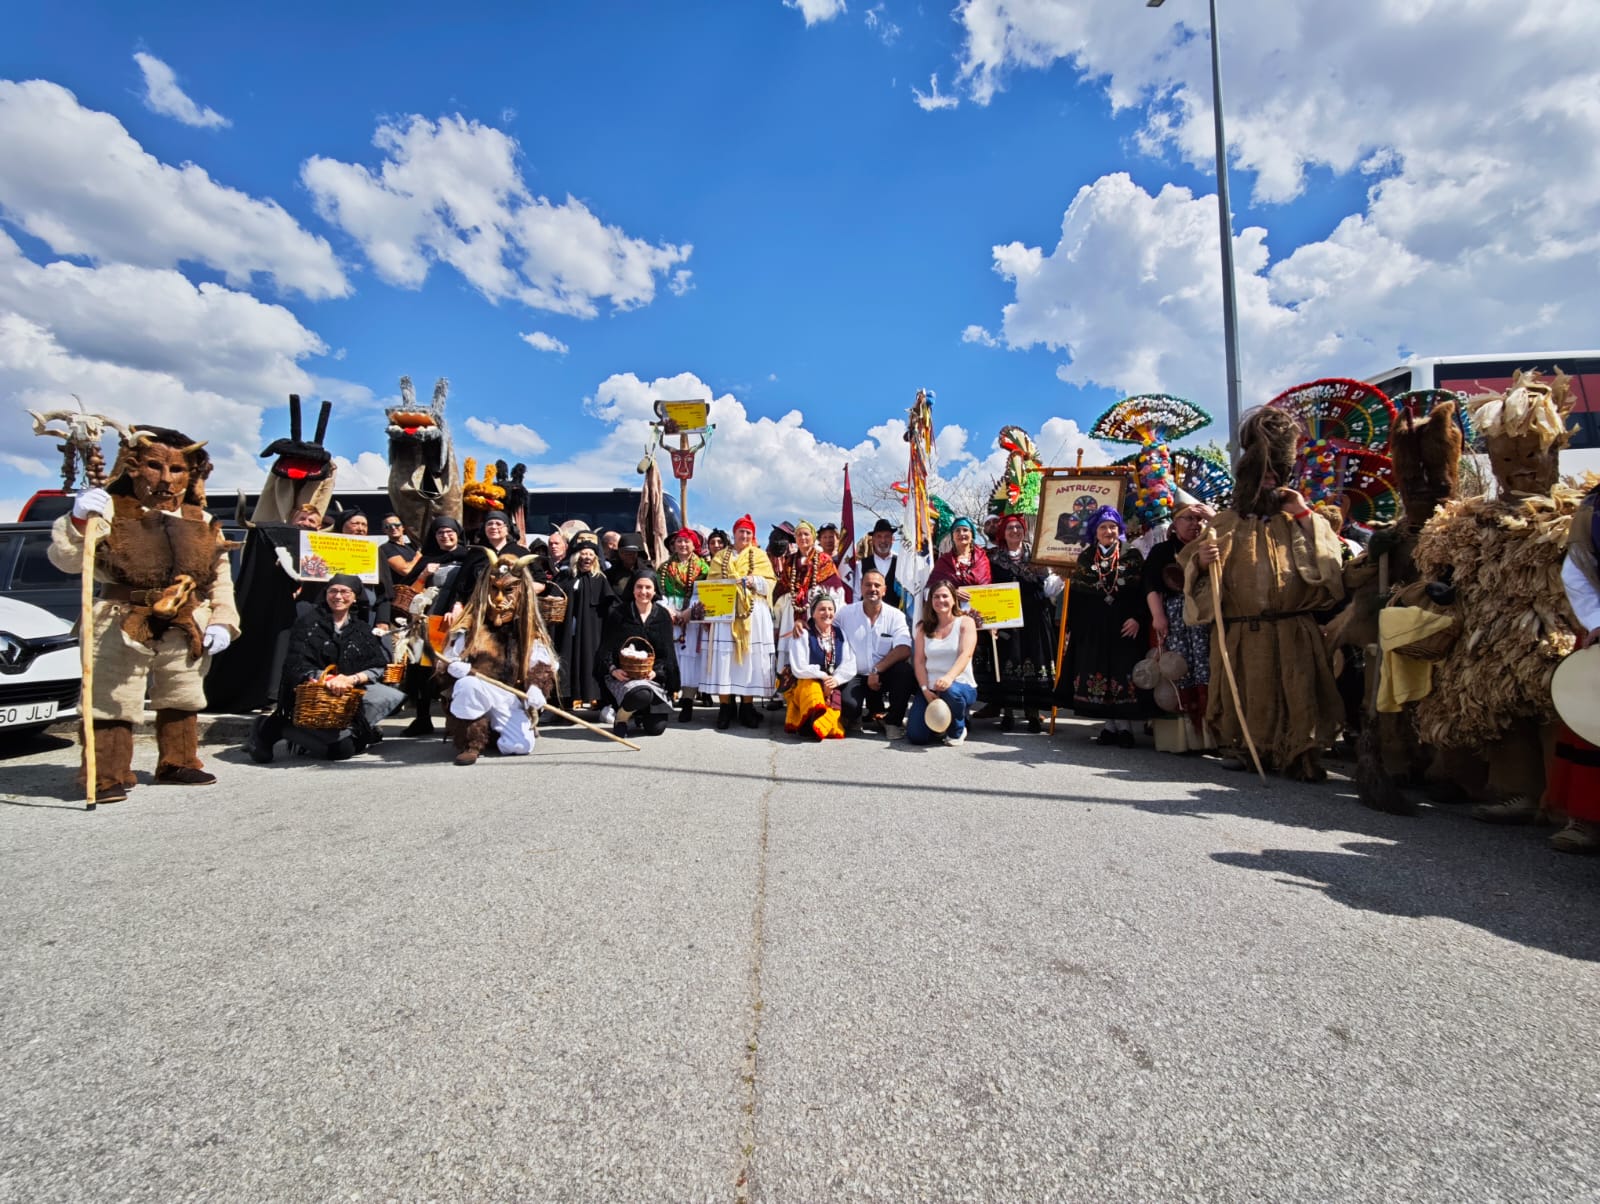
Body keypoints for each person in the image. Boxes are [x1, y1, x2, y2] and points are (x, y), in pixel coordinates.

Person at [49, 425, 239, 802]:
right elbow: (68, 561)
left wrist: (223, 620)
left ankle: (178, 762)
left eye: (177, 470)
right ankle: (107, 774)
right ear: (134, 467)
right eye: (155, 466)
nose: (166, 479)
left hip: (185, 617)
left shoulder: (200, 520)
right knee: (112, 696)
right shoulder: (109, 511)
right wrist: (78, 521)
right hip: (120, 616)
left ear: (193, 473)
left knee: (183, 692)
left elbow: (220, 579)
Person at [1180, 407, 1346, 780]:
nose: (1269, 482)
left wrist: (1302, 515)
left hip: (1294, 630)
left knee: (1298, 689)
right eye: (1262, 475)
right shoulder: (1225, 522)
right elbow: (1193, 579)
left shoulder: (1303, 518)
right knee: (1248, 688)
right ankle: (1244, 746)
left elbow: (1332, 572)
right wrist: (1202, 564)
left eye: (1276, 475)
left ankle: (1301, 752)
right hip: (1244, 632)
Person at [247, 574, 405, 762]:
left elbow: (377, 666)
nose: (338, 596)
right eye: (333, 591)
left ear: (355, 597)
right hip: (314, 689)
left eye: (345, 592)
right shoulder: (308, 623)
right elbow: (296, 663)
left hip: (348, 689)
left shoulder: (361, 629)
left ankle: (351, 730)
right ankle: (274, 727)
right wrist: (327, 679)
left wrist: (350, 679)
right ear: (326, 594)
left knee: (390, 696)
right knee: (341, 751)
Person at [437, 552, 558, 765]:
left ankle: (493, 732)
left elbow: (542, 662)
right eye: (494, 589)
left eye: (508, 590)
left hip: (510, 695)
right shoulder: (470, 627)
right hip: (478, 688)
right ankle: (470, 742)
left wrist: (537, 687)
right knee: (467, 685)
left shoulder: (528, 630)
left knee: (519, 747)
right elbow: (447, 661)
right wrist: (452, 668)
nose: (499, 599)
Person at [1058, 506, 1152, 747]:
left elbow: (1144, 592)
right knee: (1100, 672)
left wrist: (1138, 618)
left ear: (1119, 529)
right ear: (1094, 531)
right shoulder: (1086, 558)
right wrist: (1073, 628)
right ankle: (1109, 727)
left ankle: (1125, 728)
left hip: (1125, 626)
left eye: (1112, 526)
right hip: (1094, 628)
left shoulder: (1132, 555)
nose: (1108, 531)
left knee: (1122, 672)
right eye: (1102, 527)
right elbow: (1077, 597)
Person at [976, 513, 1061, 733]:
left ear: (1024, 531)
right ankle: (1008, 713)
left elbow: (1049, 588)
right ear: (1003, 533)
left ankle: (1033, 713)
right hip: (1007, 618)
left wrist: (1062, 576)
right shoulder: (993, 557)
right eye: (1010, 528)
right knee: (1008, 660)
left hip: (1035, 615)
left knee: (1035, 658)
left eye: (1018, 527)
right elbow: (987, 588)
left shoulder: (1038, 555)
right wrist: (990, 620)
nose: (1014, 531)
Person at [1551, 481, 1600, 852]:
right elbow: (1578, 569)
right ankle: (1586, 819)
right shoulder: (1594, 507)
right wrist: (1596, 620)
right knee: (1591, 723)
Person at [1142, 503, 1216, 749]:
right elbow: (1151, 586)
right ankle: (1182, 738)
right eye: (1188, 519)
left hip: (1204, 617)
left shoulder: (1210, 547)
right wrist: (1158, 616)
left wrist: (1214, 521)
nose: (1195, 524)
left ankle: (1210, 733)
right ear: (1174, 523)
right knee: (1177, 667)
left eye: (1199, 519)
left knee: (1206, 667)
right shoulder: (1162, 551)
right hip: (1174, 619)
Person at [398, 516, 472, 736]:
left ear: (458, 533)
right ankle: (422, 719)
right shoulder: (426, 559)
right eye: (440, 532)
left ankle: (457, 721)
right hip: (426, 624)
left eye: (450, 531)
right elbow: (407, 591)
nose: (445, 536)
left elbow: (474, 589)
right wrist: (424, 574)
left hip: (456, 624)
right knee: (421, 671)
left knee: (455, 670)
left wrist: (461, 609)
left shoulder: (469, 557)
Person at [702, 514, 777, 729]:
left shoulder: (760, 556)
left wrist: (756, 581)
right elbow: (711, 583)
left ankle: (747, 706)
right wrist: (727, 584)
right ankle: (725, 707)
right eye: (741, 531)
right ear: (734, 533)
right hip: (726, 613)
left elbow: (771, 582)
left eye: (748, 532)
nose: (744, 535)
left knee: (749, 660)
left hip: (753, 613)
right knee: (726, 660)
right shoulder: (720, 557)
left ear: (753, 536)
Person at [596, 570, 681, 737]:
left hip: (652, 676)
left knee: (656, 729)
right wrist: (613, 670)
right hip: (625, 676)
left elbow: (667, 653)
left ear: (655, 591)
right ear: (632, 589)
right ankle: (621, 718)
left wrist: (656, 671)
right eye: (639, 587)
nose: (643, 592)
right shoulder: (619, 613)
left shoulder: (662, 615)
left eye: (648, 587)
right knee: (641, 693)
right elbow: (605, 648)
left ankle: (639, 713)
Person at [836, 569, 914, 734]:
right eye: (868, 585)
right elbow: (824, 627)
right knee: (849, 706)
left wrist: (877, 669)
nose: (873, 589)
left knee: (904, 671)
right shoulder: (845, 613)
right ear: (861, 587)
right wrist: (804, 623)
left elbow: (904, 648)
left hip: (882, 673)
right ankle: (854, 716)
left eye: (877, 585)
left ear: (885, 590)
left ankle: (892, 721)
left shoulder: (896, 616)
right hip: (854, 674)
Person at [907, 579, 979, 745]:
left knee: (950, 691)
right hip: (931, 689)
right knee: (916, 737)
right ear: (931, 601)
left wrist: (948, 678)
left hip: (959, 686)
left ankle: (958, 729)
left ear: (954, 599)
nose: (940, 601)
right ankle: (940, 725)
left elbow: (966, 654)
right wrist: (925, 689)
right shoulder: (923, 628)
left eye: (945, 596)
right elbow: (918, 661)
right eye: (936, 597)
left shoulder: (965, 623)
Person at [782, 592, 857, 740]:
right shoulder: (803, 633)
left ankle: (819, 723)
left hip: (832, 682)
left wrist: (835, 680)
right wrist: (823, 677)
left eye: (830, 609)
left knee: (848, 705)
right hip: (806, 680)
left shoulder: (840, 633)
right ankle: (807, 721)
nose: (827, 613)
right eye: (822, 609)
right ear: (813, 613)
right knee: (813, 690)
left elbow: (849, 662)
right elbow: (799, 667)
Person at [774, 521, 845, 673]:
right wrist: (793, 596)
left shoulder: (824, 560)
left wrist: (812, 597)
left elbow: (834, 589)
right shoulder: (789, 561)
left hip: (814, 610)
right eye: (799, 534)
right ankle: (787, 689)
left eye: (806, 534)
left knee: (811, 647)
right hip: (790, 612)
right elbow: (781, 589)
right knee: (788, 649)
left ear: (813, 538)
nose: (803, 538)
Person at [554, 531, 615, 708]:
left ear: (595, 558)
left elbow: (610, 603)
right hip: (567, 631)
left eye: (590, 554)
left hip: (591, 631)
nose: (587, 557)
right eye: (583, 554)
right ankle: (564, 702)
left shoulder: (600, 579)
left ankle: (597, 700)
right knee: (566, 662)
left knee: (590, 662)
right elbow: (555, 595)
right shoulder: (566, 577)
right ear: (576, 556)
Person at [660, 528, 711, 721]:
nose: (682, 545)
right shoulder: (663, 568)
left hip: (693, 615)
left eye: (686, 542)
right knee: (670, 656)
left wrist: (689, 611)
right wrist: (669, 610)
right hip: (670, 615)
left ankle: (688, 701)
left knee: (690, 657)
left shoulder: (703, 568)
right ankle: (666, 697)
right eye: (679, 541)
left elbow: (705, 592)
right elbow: (660, 592)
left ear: (694, 545)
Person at [448, 512, 531, 612]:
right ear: (484, 528)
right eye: (489, 524)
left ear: (507, 529)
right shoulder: (475, 553)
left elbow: (540, 581)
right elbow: (461, 583)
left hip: (512, 609)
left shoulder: (521, 553)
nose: (493, 527)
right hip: (478, 609)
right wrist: (457, 605)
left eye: (498, 524)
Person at [850, 518, 912, 613]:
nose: (883, 540)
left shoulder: (901, 563)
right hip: (867, 619)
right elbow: (857, 595)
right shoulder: (862, 565)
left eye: (887, 536)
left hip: (894, 619)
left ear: (892, 539)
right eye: (879, 536)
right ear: (873, 540)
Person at [932, 516, 991, 597]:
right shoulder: (944, 561)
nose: (961, 533)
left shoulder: (982, 559)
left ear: (972, 535)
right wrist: (952, 593)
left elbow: (988, 586)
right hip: (951, 607)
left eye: (965, 530)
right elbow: (931, 589)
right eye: (957, 530)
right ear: (952, 536)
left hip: (980, 606)